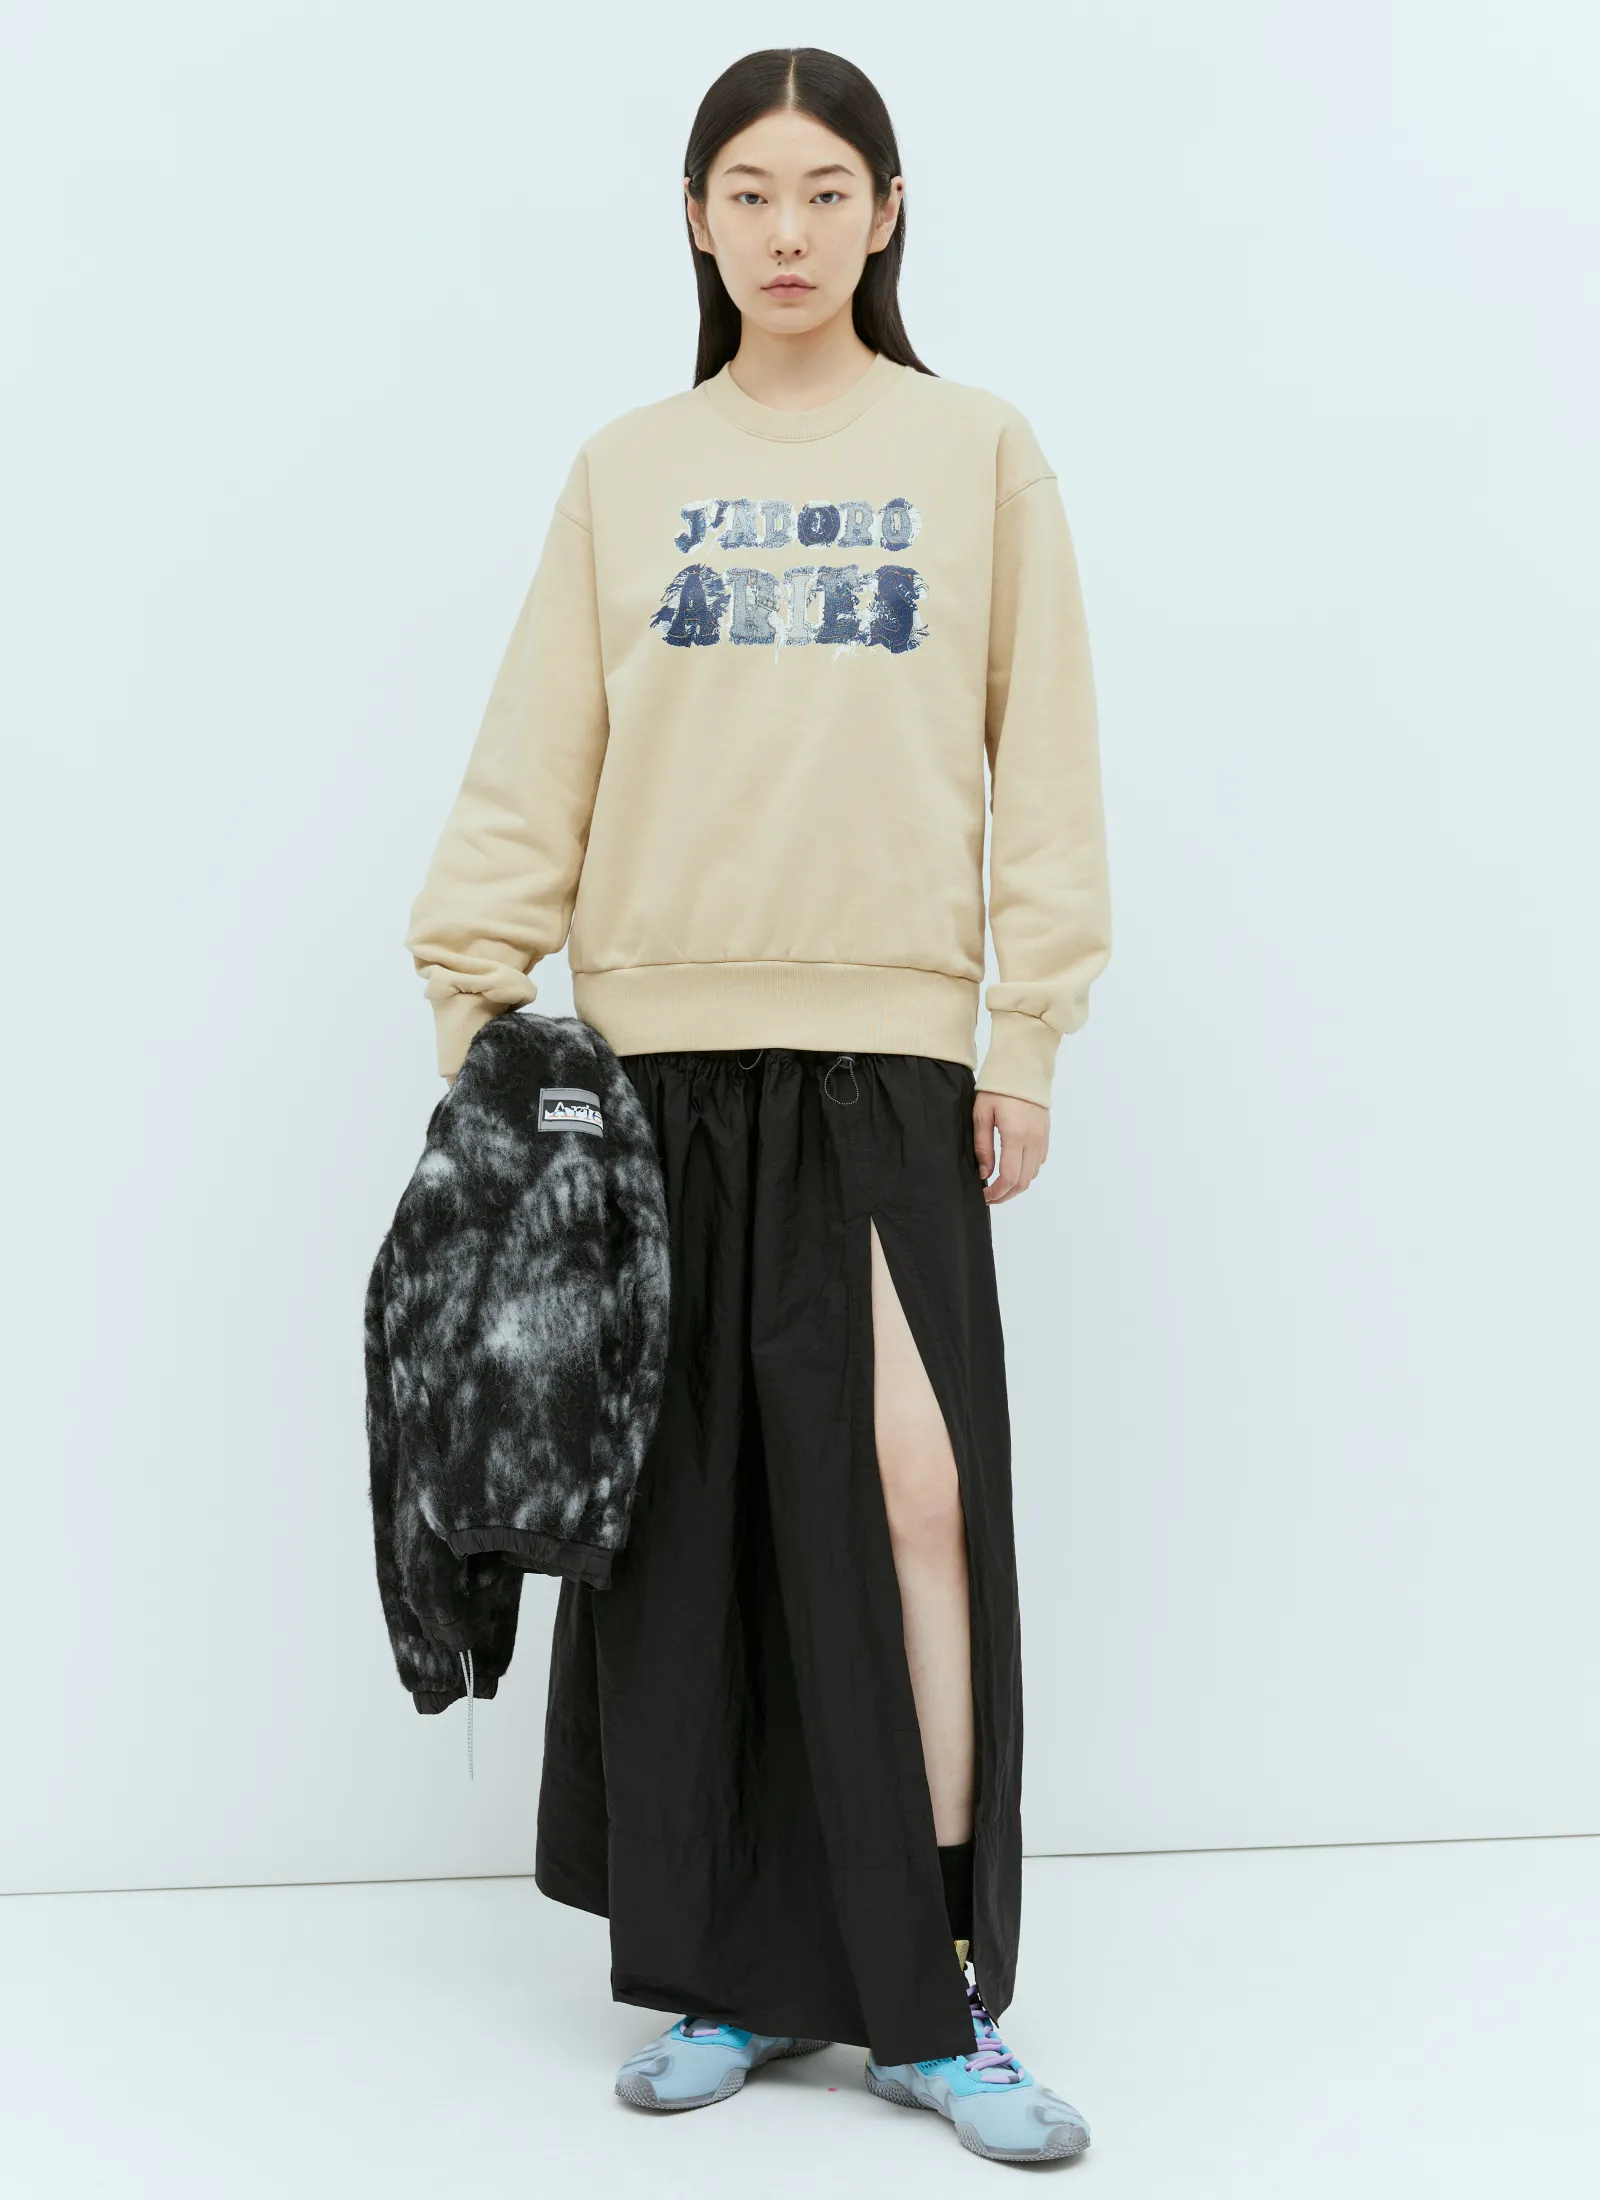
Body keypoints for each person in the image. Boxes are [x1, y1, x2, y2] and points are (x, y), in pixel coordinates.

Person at [403, 45, 1111, 2167]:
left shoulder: (976, 453)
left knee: (915, 1500)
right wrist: (477, 1015)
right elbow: (538, 752)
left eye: (824, 191)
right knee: (695, 1529)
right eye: (746, 191)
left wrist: (1024, 1030)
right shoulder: (628, 471)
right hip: (651, 1071)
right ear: (696, 221)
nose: (786, 231)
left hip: (889, 1056)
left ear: (886, 213)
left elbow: (1045, 758)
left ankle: (936, 1997)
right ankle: (730, 1968)